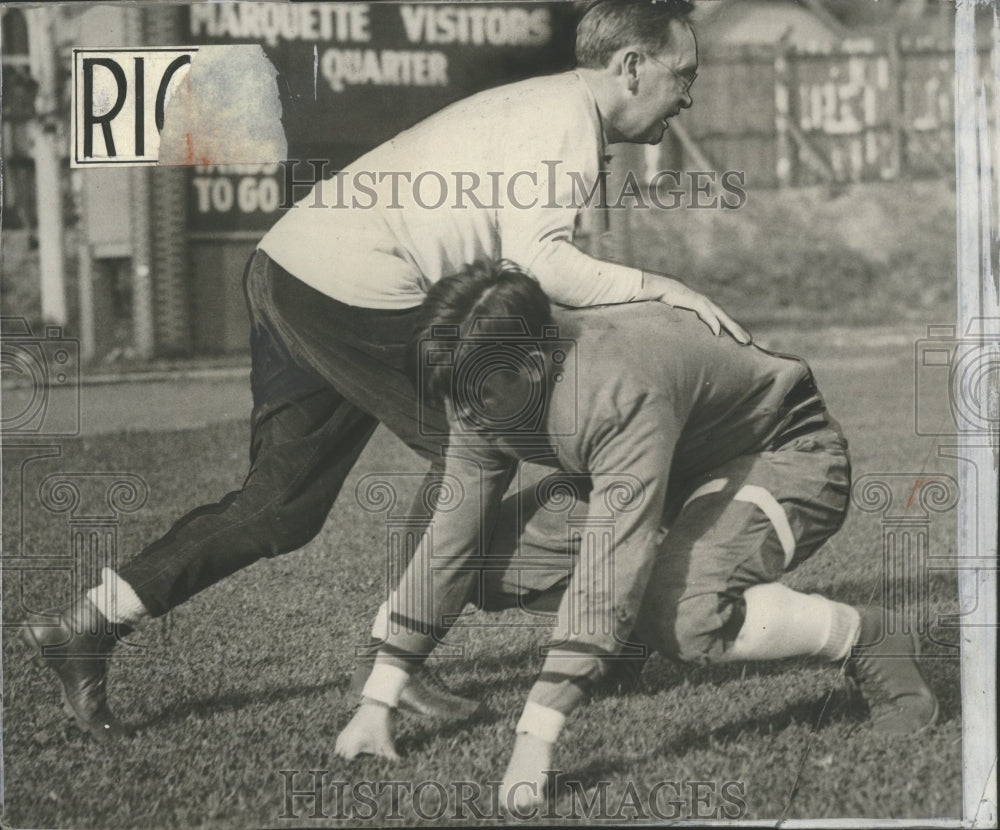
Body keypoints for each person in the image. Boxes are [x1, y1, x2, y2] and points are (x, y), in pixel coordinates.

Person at [22, 0, 748, 740]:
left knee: (280, 505)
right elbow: (542, 264)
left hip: (291, 267)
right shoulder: (564, 118)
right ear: (631, 68)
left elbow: (513, 275)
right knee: (475, 450)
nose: (688, 92)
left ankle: (88, 623)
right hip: (347, 285)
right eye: (682, 73)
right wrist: (673, 293)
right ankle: (394, 661)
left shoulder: (554, 110)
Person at [334, 263, 940, 813]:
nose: (471, 411)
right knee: (486, 561)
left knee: (684, 615)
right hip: (676, 472)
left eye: (486, 392)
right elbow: (451, 540)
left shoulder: (614, 386)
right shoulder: (482, 378)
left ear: (538, 362)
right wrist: (378, 699)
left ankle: (867, 637)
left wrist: (536, 735)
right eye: (460, 393)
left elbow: (610, 561)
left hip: (781, 453)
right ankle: (625, 646)